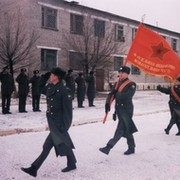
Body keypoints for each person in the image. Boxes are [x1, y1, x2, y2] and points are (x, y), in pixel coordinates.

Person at [21, 67, 77, 177]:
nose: (50, 76)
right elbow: (39, 88)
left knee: (47, 146)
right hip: (53, 122)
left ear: (57, 77)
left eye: (51, 75)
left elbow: (68, 112)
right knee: (63, 142)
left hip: (59, 124)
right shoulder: (51, 87)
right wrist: (44, 77)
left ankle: (34, 168)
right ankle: (72, 163)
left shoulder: (64, 91)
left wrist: (64, 127)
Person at [99, 66, 138, 155]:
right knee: (127, 128)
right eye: (119, 73)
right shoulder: (118, 83)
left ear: (127, 74)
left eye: (122, 73)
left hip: (126, 110)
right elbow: (111, 94)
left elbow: (127, 96)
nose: (120, 74)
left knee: (120, 129)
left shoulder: (131, 84)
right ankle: (131, 148)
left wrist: (116, 93)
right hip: (119, 109)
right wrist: (107, 103)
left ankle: (108, 147)